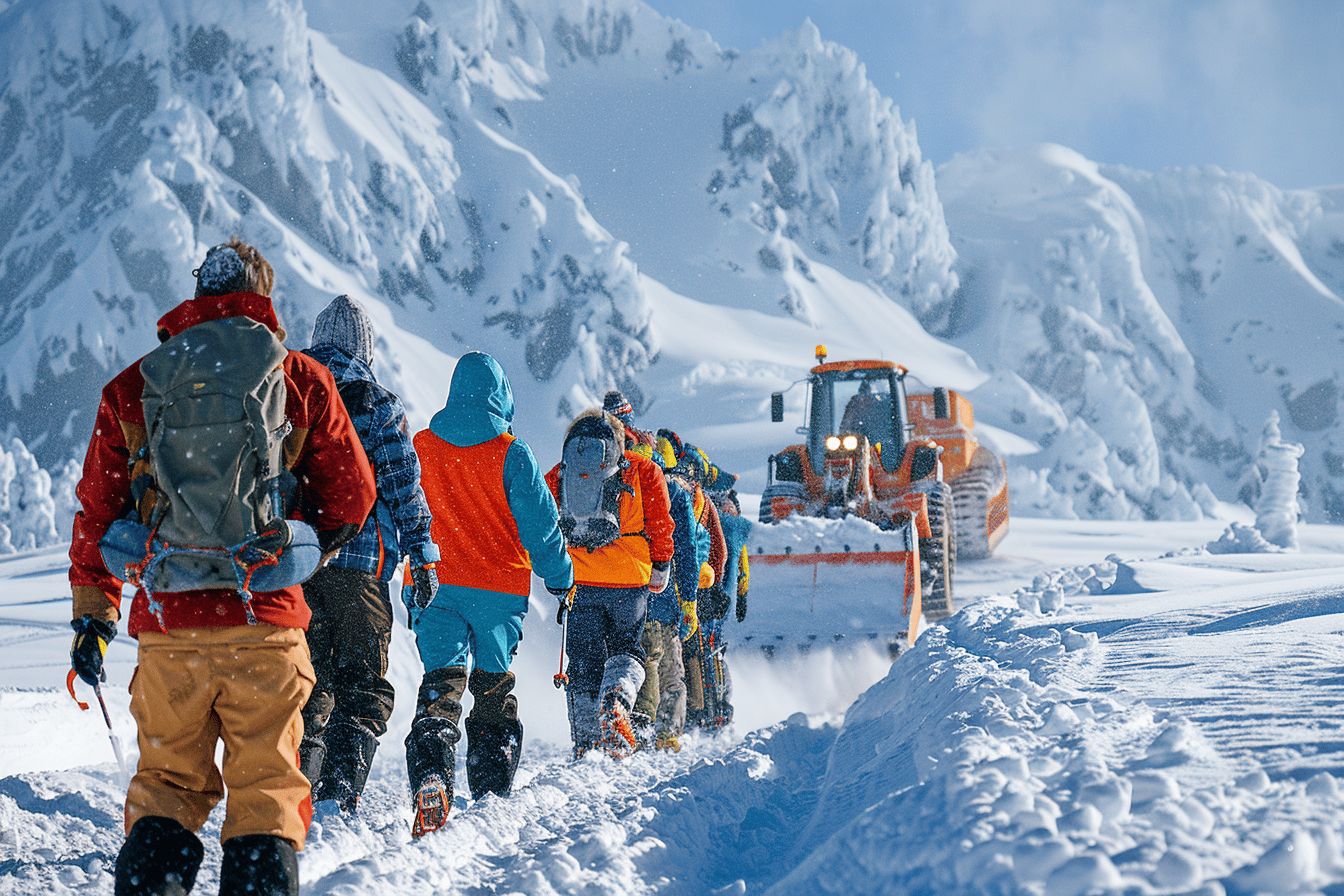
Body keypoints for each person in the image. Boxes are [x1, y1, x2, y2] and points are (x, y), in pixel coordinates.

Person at [68, 240, 376, 896]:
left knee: (164, 799)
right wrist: (304, 541)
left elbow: (96, 514)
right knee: (265, 802)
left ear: (198, 295)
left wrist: (93, 618)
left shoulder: (133, 385)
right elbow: (354, 494)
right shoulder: (298, 378)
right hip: (263, 623)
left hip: (169, 631)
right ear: (260, 292)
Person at [405, 351, 573, 837]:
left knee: (441, 684)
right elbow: (543, 530)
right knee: (493, 687)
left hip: (435, 585)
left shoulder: (422, 446)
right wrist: (561, 578)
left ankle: (433, 775)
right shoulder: (512, 452)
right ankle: (491, 789)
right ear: (500, 396)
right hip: (498, 593)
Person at [299, 295, 440, 814]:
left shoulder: (292, 394)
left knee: (308, 689)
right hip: (363, 574)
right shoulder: (379, 404)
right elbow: (405, 488)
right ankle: (339, 796)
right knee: (362, 691)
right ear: (366, 348)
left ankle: (300, 795)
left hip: (299, 568)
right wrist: (424, 555)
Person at [546, 410, 675, 757]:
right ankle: (616, 701)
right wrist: (660, 565)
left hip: (579, 578)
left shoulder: (562, 472)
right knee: (627, 649)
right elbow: (661, 524)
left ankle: (586, 742)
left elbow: (542, 518)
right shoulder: (643, 470)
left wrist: (551, 568)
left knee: (584, 662)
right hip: (628, 578)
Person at [632, 439, 710, 752]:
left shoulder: (620, 489)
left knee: (635, 662)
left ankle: (633, 724)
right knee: (667, 669)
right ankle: (661, 731)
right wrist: (689, 602)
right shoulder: (673, 494)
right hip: (661, 598)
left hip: (620, 594)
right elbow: (688, 552)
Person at [656, 434, 726, 730]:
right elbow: (716, 548)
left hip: (663, 582)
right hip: (697, 582)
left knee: (667, 652)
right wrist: (718, 582)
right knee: (700, 648)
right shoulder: (697, 499)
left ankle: (682, 711)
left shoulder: (651, 488)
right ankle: (708, 707)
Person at [705, 465, 752, 727]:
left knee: (707, 650)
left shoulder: (709, 522)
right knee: (714, 650)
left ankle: (712, 705)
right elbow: (742, 570)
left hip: (705, 594)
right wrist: (742, 597)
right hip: (722, 597)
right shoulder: (736, 530)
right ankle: (719, 704)